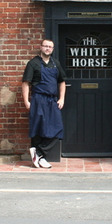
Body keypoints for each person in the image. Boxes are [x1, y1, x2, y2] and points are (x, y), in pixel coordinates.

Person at [22, 39, 66, 169]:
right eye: (45, 46)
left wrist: (62, 98)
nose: (48, 48)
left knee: (57, 128)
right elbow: (25, 83)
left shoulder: (55, 63)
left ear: (52, 49)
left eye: (50, 47)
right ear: (41, 47)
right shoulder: (33, 63)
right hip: (38, 99)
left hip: (52, 100)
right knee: (38, 128)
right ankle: (41, 159)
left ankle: (38, 153)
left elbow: (62, 81)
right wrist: (26, 101)